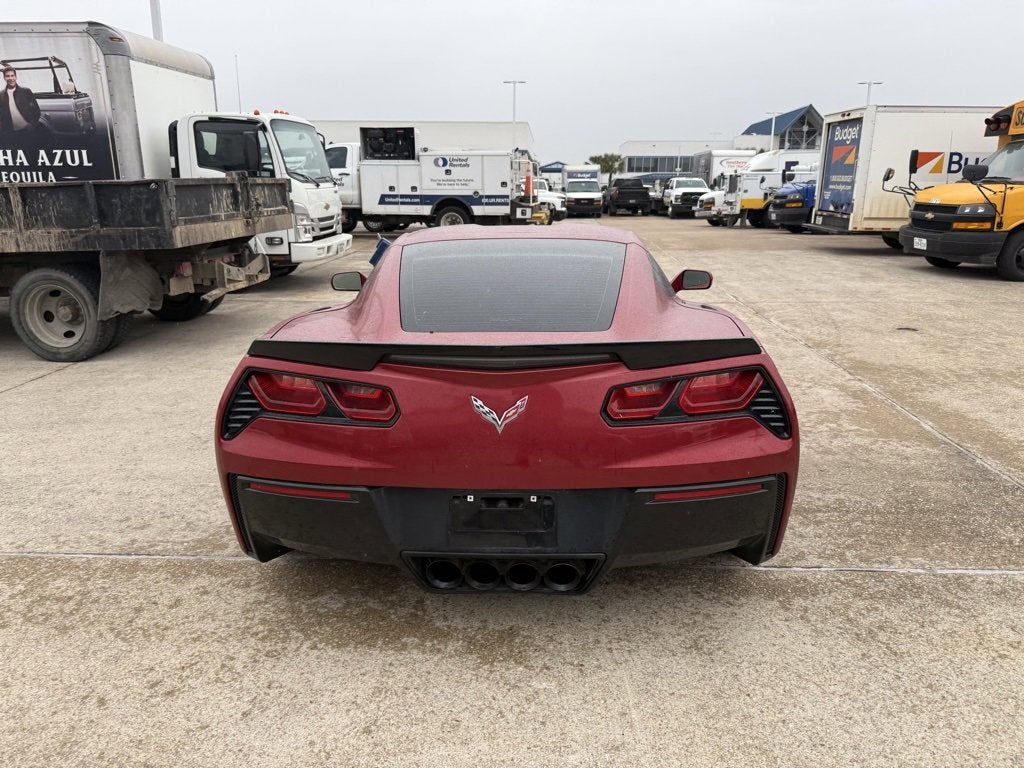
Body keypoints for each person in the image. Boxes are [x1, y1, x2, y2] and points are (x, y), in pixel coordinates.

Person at [0, 66, 42, 138]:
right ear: (4, 78)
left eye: (12, 75)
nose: (11, 78)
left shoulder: (26, 91)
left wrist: (32, 124)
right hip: (10, 134)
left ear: (16, 77)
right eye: (8, 76)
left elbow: (36, 111)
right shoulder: (1, 95)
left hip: (27, 131)